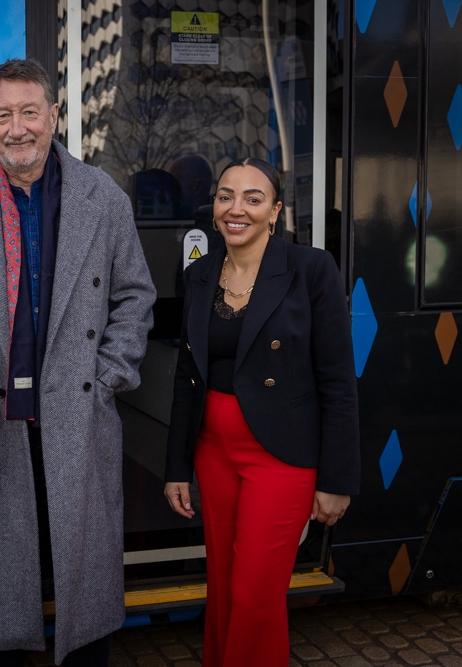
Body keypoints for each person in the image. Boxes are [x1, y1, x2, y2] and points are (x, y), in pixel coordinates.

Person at [0, 59, 156, 666]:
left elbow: (135, 297)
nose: (17, 128)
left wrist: (106, 379)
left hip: (77, 417)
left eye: (28, 112)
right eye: (3, 115)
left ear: (52, 116)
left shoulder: (103, 198)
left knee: (82, 586)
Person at [163, 157, 359, 667]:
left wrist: (337, 479)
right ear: (213, 209)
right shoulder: (200, 275)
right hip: (213, 451)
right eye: (226, 196)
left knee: (255, 593)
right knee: (224, 587)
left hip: (282, 454)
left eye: (253, 198)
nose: (237, 208)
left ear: (275, 211)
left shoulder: (311, 269)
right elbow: (188, 376)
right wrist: (176, 468)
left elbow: (338, 381)